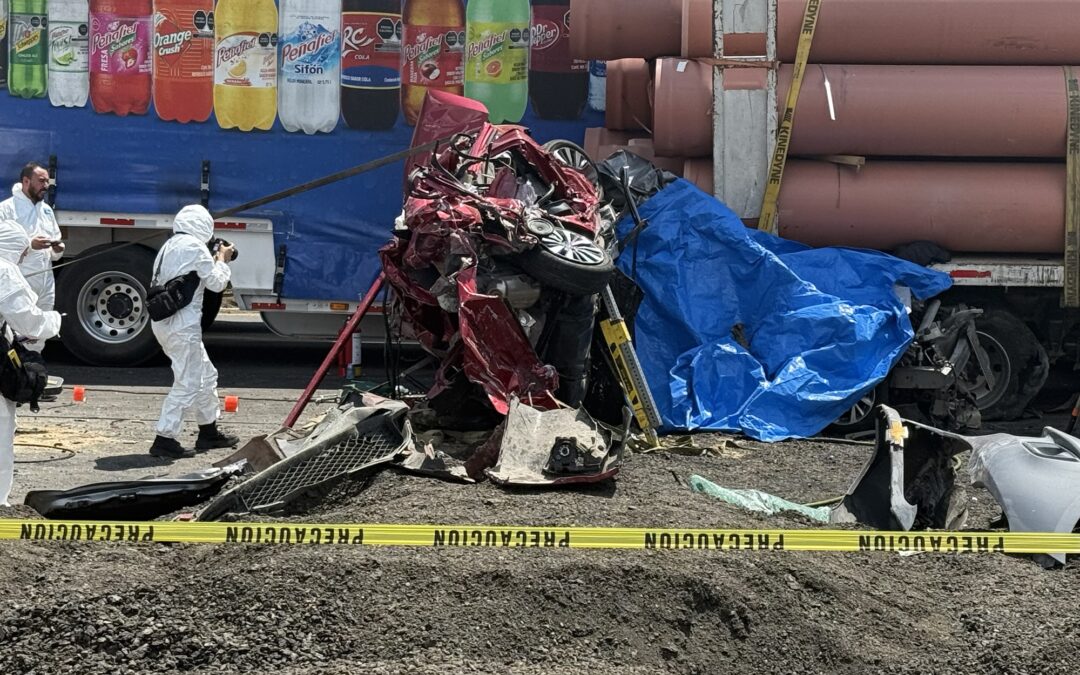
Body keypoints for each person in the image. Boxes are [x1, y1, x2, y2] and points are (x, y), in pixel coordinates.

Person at [149, 205, 239, 460]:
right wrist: (222, 260)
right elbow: (217, 283)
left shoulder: (171, 245)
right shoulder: (194, 247)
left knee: (206, 375)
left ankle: (208, 430)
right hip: (182, 327)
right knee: (187, 382)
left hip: (168, 324)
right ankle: (164, 438)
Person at [0, 220, 62, 506]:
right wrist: (55, 320)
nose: (24, 259)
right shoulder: (5, 271)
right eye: (23, 253)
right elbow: (32, 322)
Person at [0, 163, 64, 352]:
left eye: (47, 181)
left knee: (37, 336)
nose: (46, 185)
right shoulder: (6, 209)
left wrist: (57, 248)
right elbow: (5, 240)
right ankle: (13, 368)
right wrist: (30, 243)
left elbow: (56, 242)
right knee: (18, 327)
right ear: (26, 181)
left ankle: (32, 368)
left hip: (45, 279)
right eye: (41, 181)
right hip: (20, 278)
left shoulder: (46, 210)